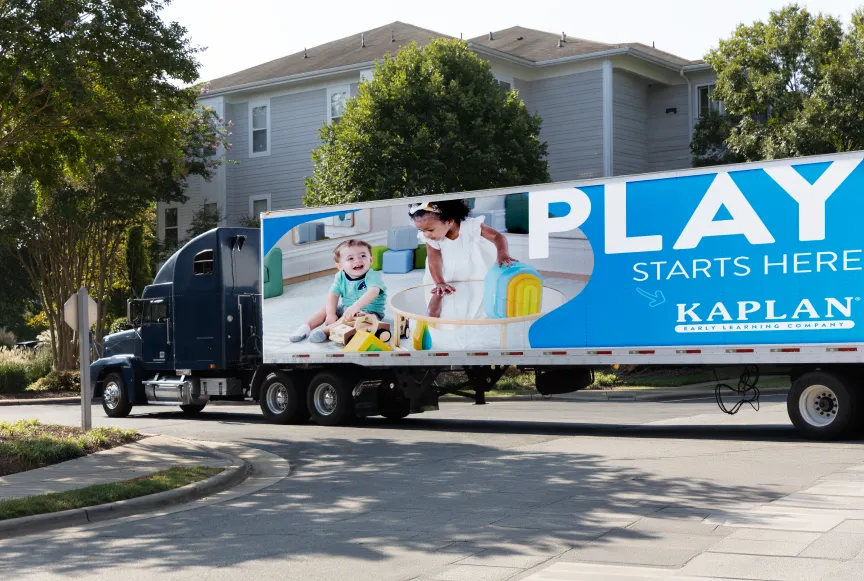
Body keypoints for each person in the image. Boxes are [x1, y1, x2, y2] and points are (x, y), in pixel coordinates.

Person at [289, 239, 387, 343]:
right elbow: (333, 295)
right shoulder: (340, 276)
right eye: (350, 258)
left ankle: (326, 332)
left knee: (351, 319)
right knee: (325, 308)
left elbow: (373, 293)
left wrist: (355, 307)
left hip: (369, 311)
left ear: (371, 260)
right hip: (346, 307)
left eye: (363, 256)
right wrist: (330, 313)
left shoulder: (373, 275)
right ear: (340, 266)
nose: (358, 261)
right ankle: (306, 327)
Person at [409, 199, 515, 295]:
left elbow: (497, 236)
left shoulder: (471, 226)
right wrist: (439, 282)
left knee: (478, 295)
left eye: (430, 230)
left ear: (449, 221)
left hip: (474, 271)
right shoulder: (432, 239)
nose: (426, 235)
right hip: (445, 275)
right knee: (442, 299)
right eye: (422, 231)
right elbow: (433, 261)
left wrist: (503, 254)